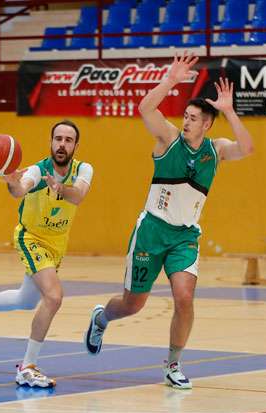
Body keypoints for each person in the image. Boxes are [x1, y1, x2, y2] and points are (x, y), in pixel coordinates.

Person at [84, 52, 254, 389]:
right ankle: (102, 317)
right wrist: (171, 80)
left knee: (185, 298)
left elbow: (247, 148)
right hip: (151, 231)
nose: (187, 121)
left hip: (184, 237)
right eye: (186, 116)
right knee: (132, 304)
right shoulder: (168, 139)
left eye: (193, 118)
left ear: (206, 123)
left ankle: (173, 364)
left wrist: (230, 112)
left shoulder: (215, 150)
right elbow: (146, 109)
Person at [0, 120, 93, 388]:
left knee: (26, 300)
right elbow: (20, 190)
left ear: (76, 145)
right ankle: (27, 367)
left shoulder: (84, 169)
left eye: (68, 140)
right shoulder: (37, 170)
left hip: (56, 244)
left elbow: (77, 196)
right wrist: (12, 182)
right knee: (53, 297)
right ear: (50, 142)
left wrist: (60, 188)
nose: (62, 144)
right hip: (31, 238)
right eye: (58, 139)